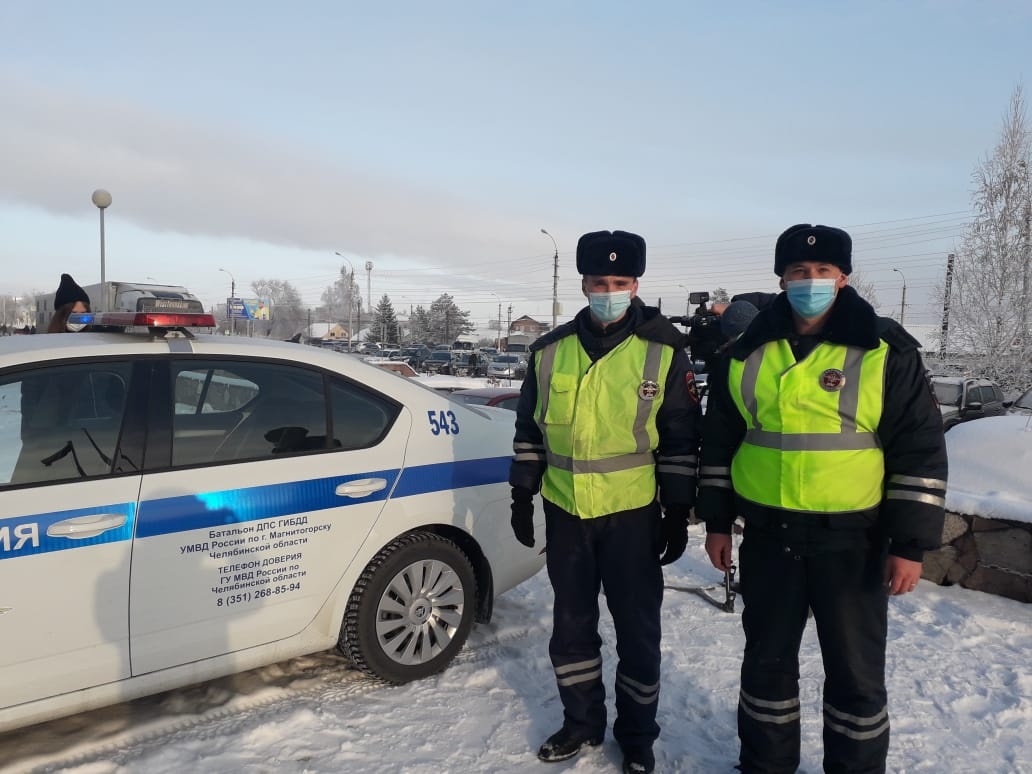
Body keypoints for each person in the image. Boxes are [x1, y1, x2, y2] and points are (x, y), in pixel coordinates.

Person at [697, 224, 947, 773]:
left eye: (822, 272)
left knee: (856, 676)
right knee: (766, 668)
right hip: (768, 538)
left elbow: (919, 451)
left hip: (853, 541)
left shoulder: (886, 350)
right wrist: (717, 523)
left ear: (843, 277)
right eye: (798, 272)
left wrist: (910, 543)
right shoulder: (744, 354)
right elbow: (720, 443)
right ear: (781, 279)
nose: (810, 281)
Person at [509, 230, 702, 774]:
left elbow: (682, 438)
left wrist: (675, 511)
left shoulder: (664, 352)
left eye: (620, 282)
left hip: (633, 517)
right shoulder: (549, 352)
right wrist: (522, 493)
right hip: (567, 514)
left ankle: (637, 735)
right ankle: (581, 723)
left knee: (638, 631)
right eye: (600, 282)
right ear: (585, 284)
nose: (609, 291)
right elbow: (529, 429)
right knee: (571, 628)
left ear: (636, 284)